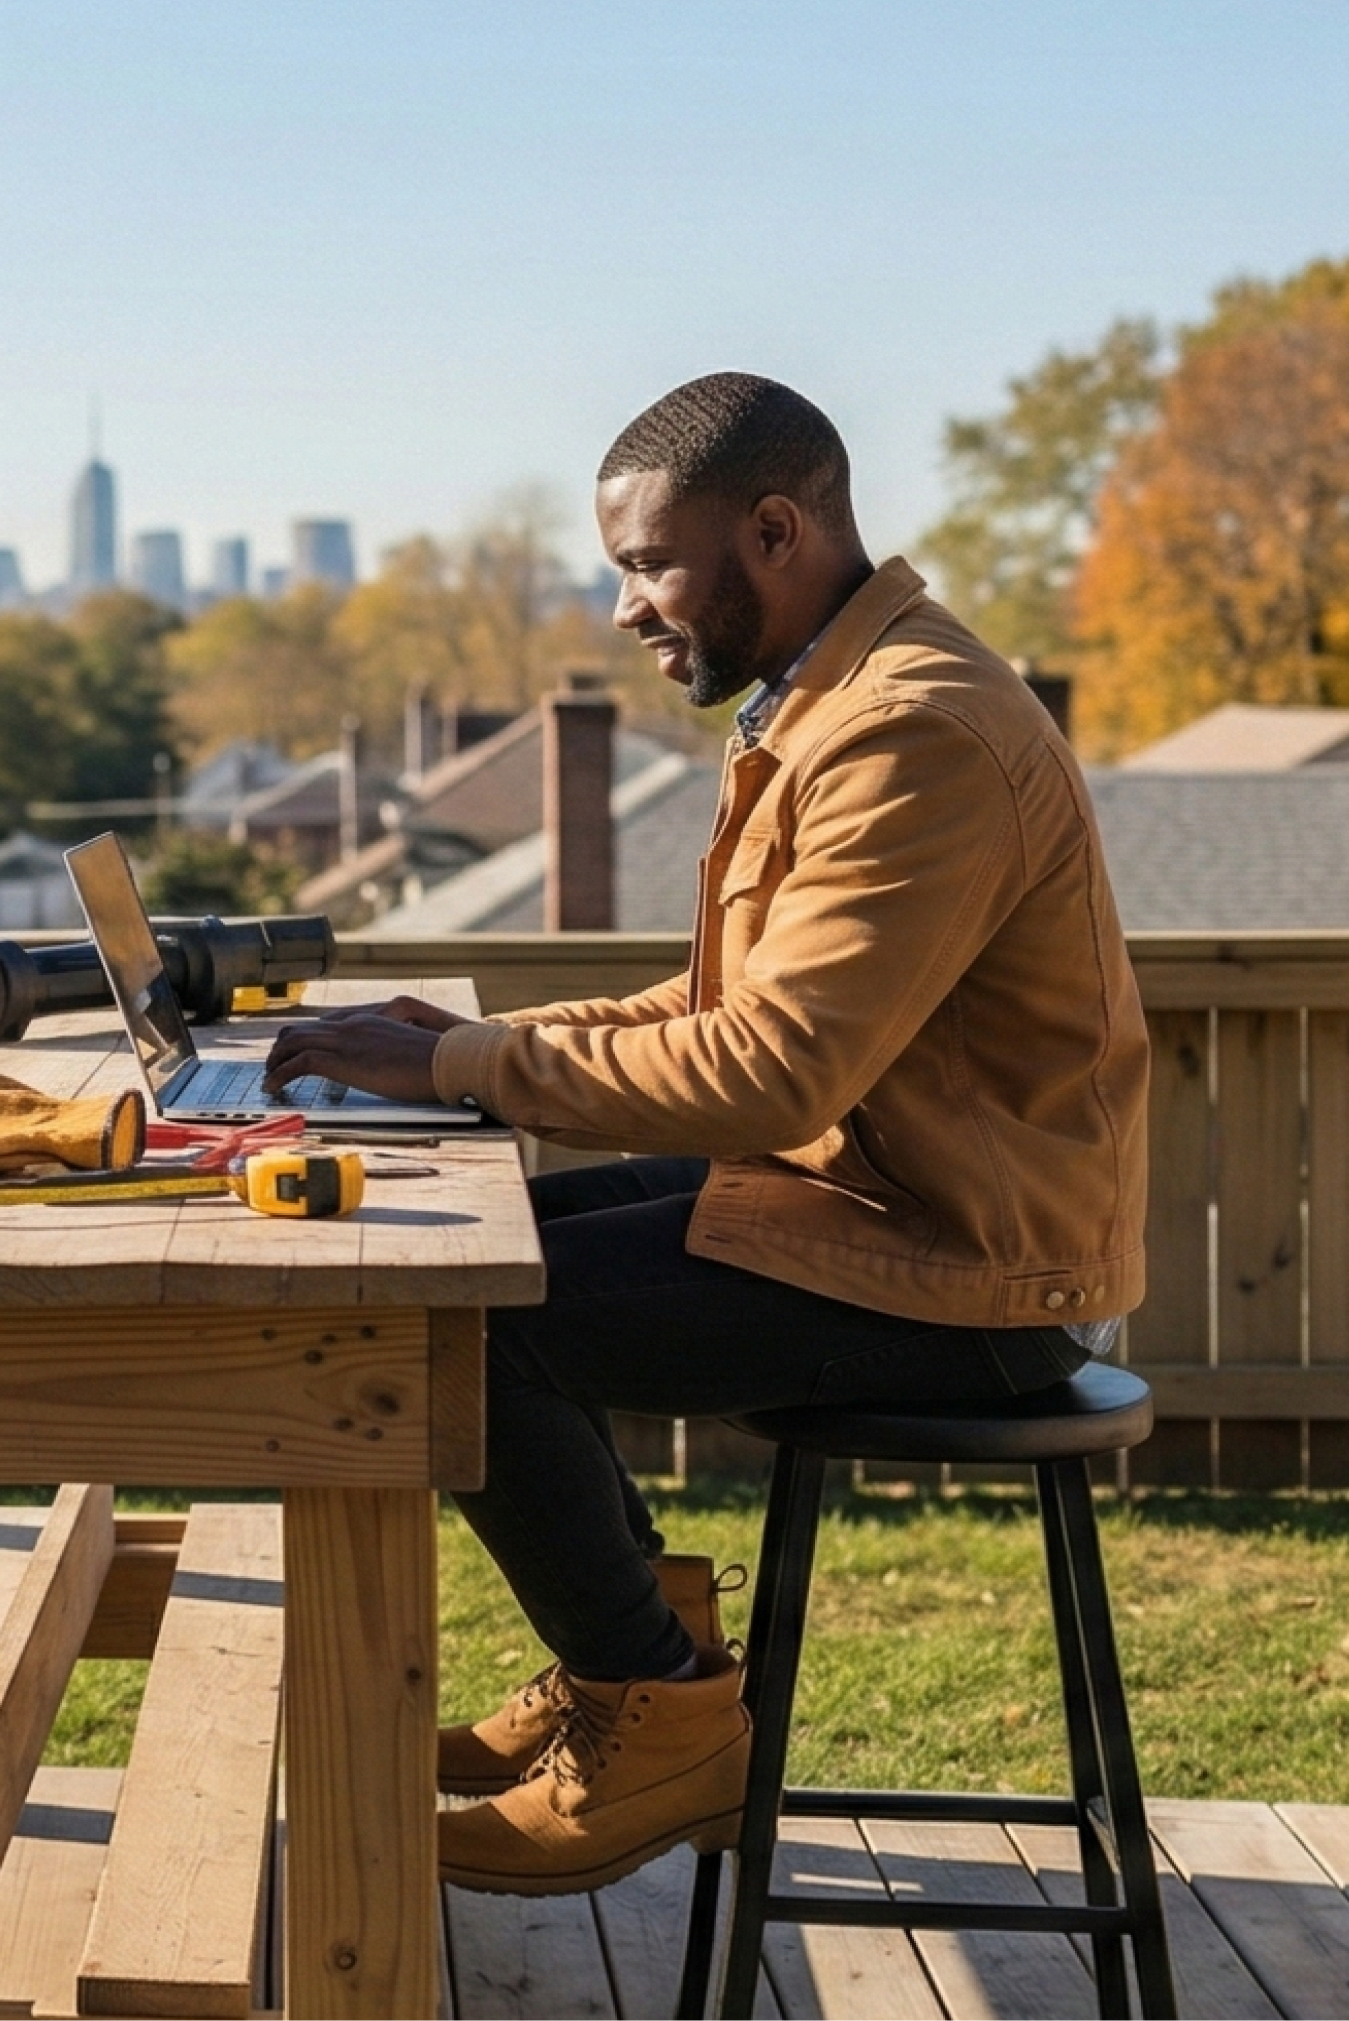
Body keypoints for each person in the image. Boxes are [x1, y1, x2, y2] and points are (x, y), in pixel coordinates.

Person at [262, 372, 1145, 1897]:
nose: (625, 610)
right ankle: (645, 1660)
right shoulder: (833, 701)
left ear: (777, 531)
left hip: (975, 1274)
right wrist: (453, 1055)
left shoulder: (911, 733)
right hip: (863, 1198)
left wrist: (474, 1062)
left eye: (648, 566)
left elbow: (771, 1070)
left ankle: (658, 1708)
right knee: (489, 1261)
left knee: (461, 1323)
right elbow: (723, 1001)